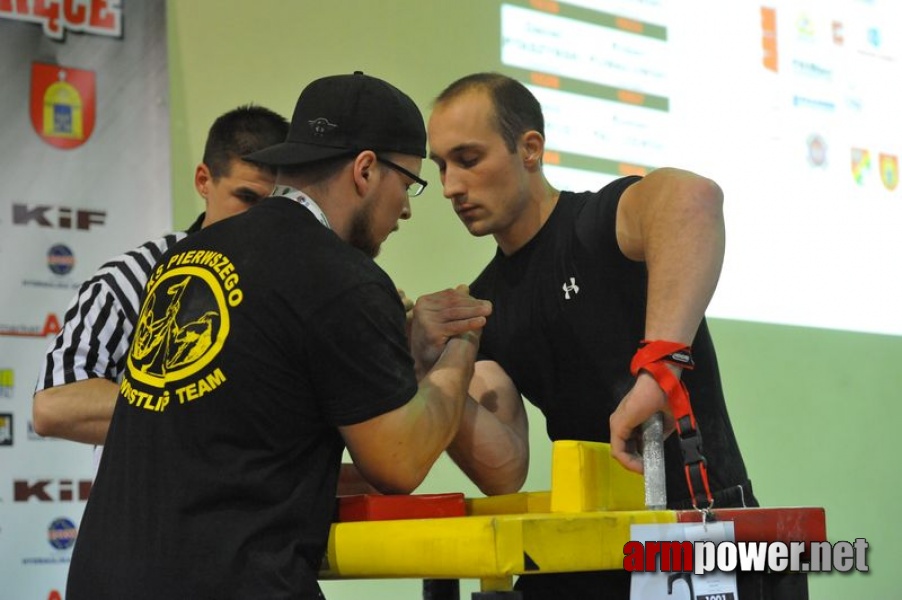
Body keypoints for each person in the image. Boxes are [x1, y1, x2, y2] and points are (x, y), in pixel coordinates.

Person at [64, 71, 491, 600]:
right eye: (407, 184)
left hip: (100, 578)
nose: (404, 209)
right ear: (365, 170)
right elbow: (398, 463)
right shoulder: (343, 277)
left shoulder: (185, 258)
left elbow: (250, 428)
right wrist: (460, 348)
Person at [426, 72, 758, 598]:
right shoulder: (488, 303)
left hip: (697, 539)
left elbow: (694, 199)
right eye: (440, 166)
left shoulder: (597, 225)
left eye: (467, 159)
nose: (450, 186)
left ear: (529, 148)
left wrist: (660, 366)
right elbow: (504, 469)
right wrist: (429, 366)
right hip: (587, 551)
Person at [32, 105, 290, 473]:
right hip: (149, 524)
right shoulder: (134, 277)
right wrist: (203, 402)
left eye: (276, 206)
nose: (259, 221)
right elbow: (54, 404)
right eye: (246, 198)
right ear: (204, 181)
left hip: (266, 522)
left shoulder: (300, 285)